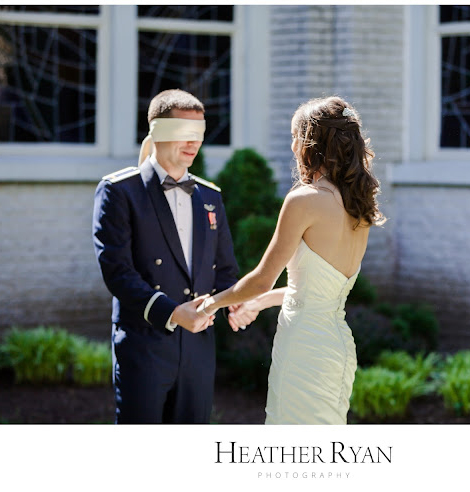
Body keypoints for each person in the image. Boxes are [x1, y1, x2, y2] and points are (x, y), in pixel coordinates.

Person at [196, 96, 386, 424]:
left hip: (303, 349)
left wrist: (209, 304)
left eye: (295, 137)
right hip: (337, 346)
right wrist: (257, 304)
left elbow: (261, 278)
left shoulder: (303, 201)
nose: (293, 146)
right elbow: (316, 293)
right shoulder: (360, 210)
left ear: (311, 144)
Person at [92, 89, 253, 424]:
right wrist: (173, 312)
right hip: (145, 344)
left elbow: (223, 269)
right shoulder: (120, 191)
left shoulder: (210, 196)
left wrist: (233, 302)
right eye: (183, 133)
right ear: (157, 132)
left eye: (199, 134)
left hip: (198, 349)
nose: (193, 144)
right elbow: (117, 272)